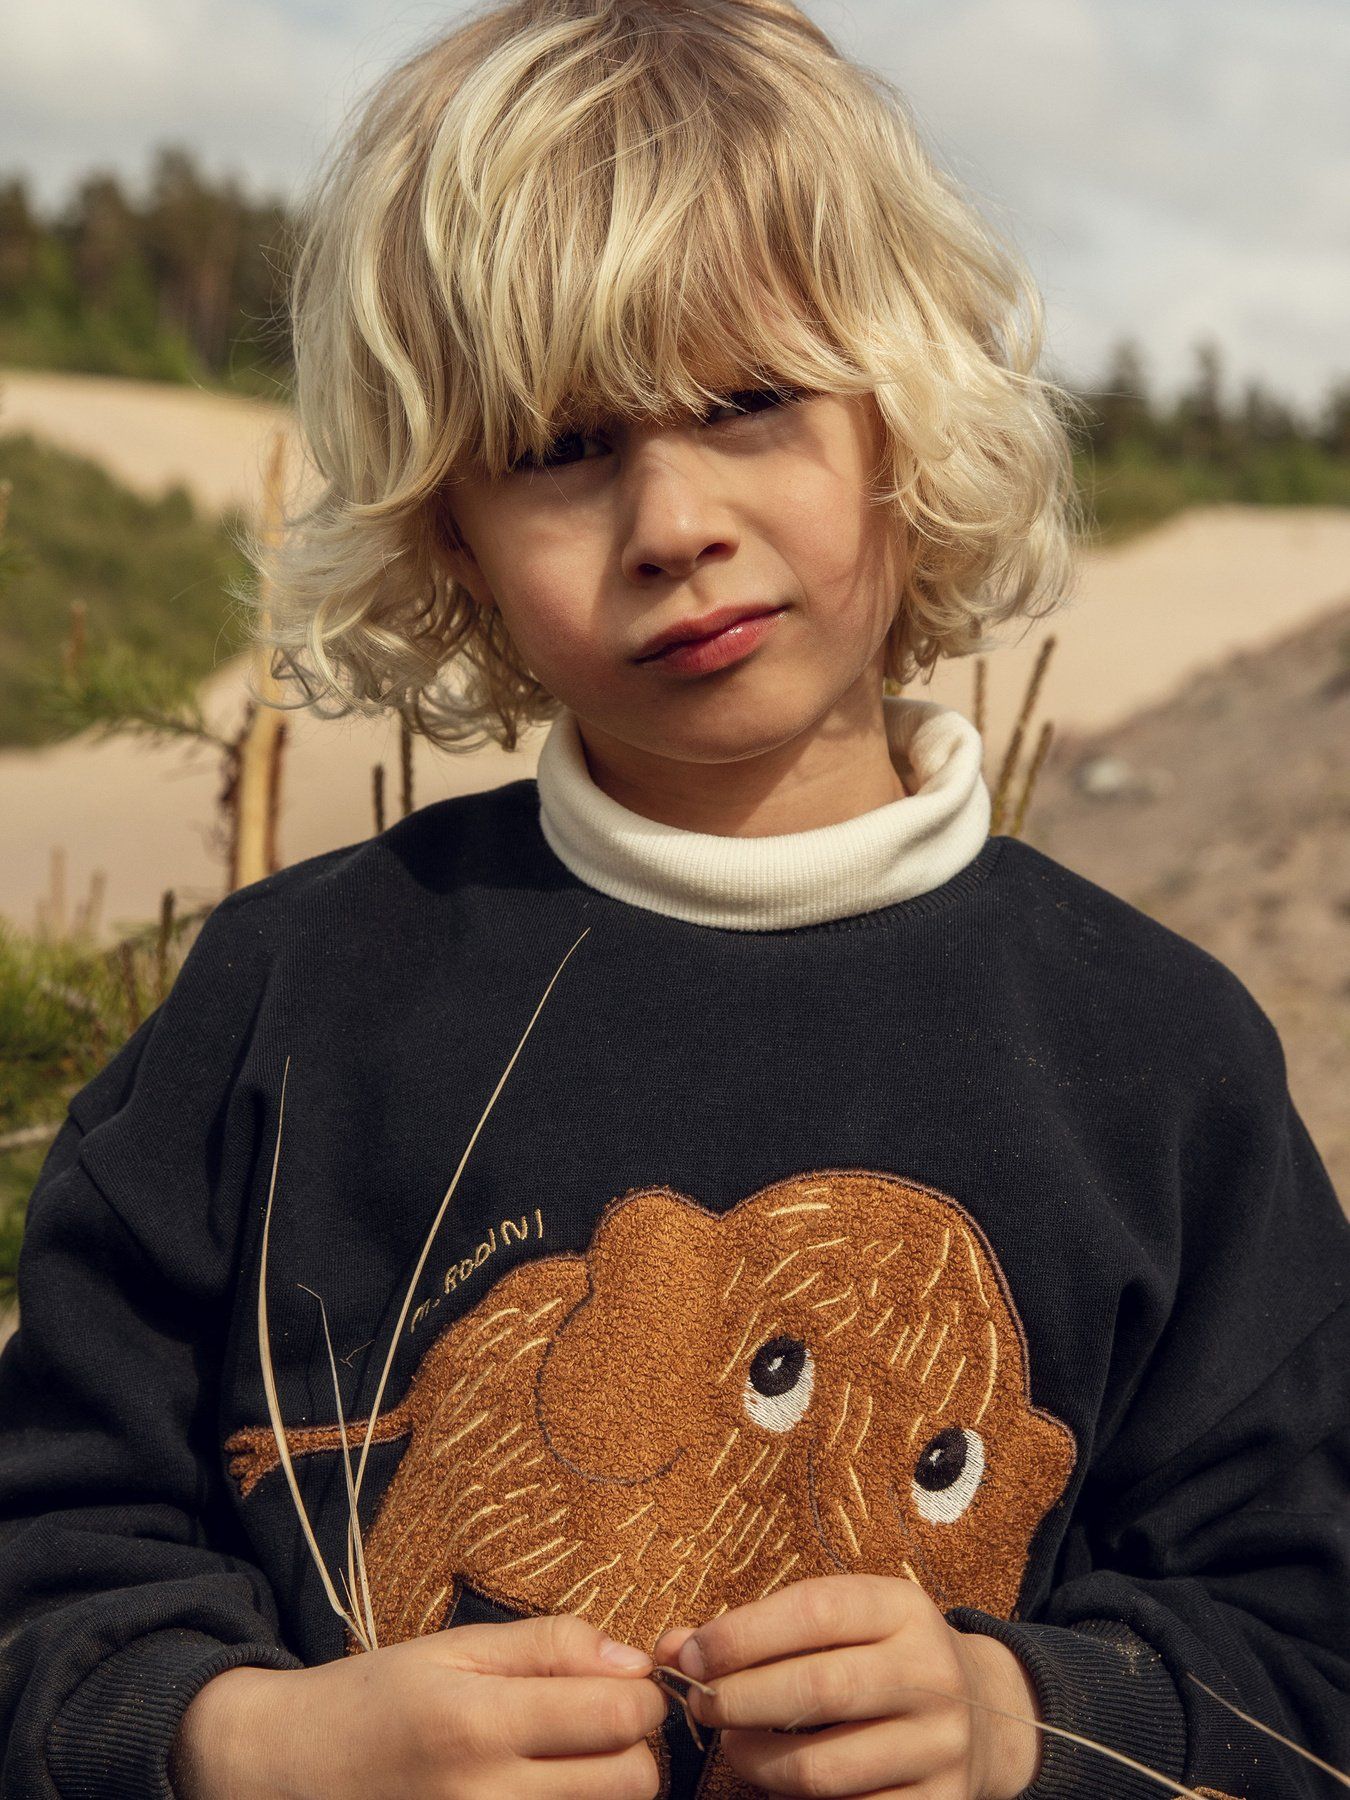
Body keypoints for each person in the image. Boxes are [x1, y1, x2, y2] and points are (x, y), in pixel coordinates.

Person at [2, 1, 1347, 1796]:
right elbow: (47, 1565)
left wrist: (1017, 1723)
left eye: (749, 402)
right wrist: (249, 1748)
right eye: (561, 446)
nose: (671, 521)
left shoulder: (1158, 1059)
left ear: (906, 412)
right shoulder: (286, 1003)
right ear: (451, 532)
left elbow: (1300, 1655)